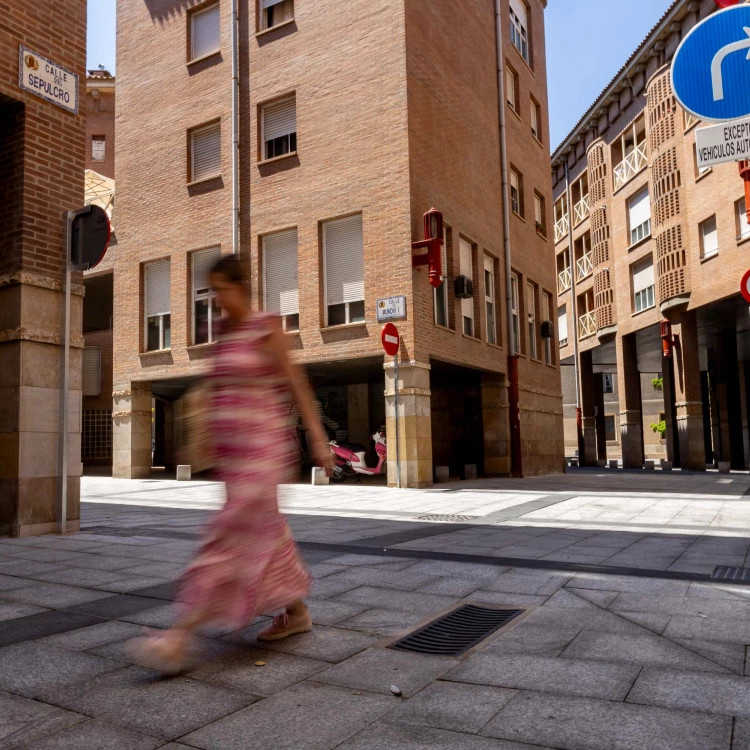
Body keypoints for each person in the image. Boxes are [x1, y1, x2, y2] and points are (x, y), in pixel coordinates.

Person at [132, 255, 334, 672]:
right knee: (265, 536)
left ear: (240, 287)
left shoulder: (266, 328)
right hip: (233, 457)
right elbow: (217, 390)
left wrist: (319, 440)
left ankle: (179, 637)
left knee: (230, 538)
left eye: (220, 289)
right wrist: (202, 437)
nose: (216, 299)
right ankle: (296, 613)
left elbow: (297, 385)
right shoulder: (223, 334)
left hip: (263, 453)